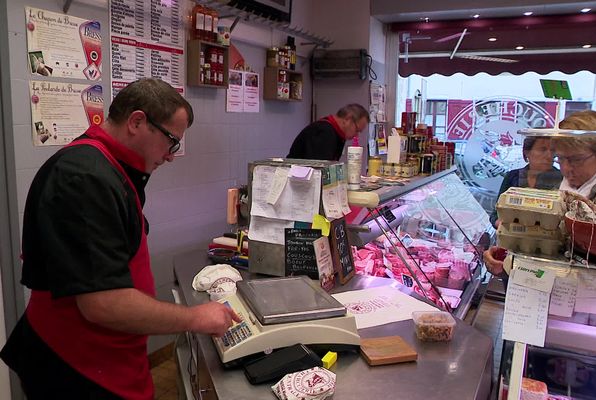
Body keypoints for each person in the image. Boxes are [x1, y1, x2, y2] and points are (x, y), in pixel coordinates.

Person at [0, 78, 240, 400]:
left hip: (109, 353)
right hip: (78, 364)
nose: (171, 156)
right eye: (171, 141)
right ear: (137, 121)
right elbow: (104, 303)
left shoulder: (110, 168)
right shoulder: (84, 177)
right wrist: (195, 317)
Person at [484, 109, 596, 277]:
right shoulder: (566, 186)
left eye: (576, 159)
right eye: (561, 159)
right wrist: (510, 254)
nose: (566, 168)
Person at [489, 136, 562, 227]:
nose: (549, 155)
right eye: (542, 150)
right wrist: (502, 225)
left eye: (552, 150)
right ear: (527, 152)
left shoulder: (561, 180)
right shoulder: (513, 177)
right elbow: (495, 214)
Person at [287, 103, 369, 161]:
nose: (356, 135)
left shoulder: (337, 134)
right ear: (347, 119)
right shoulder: (324, 132)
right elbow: (319, 171)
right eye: (357, 130)